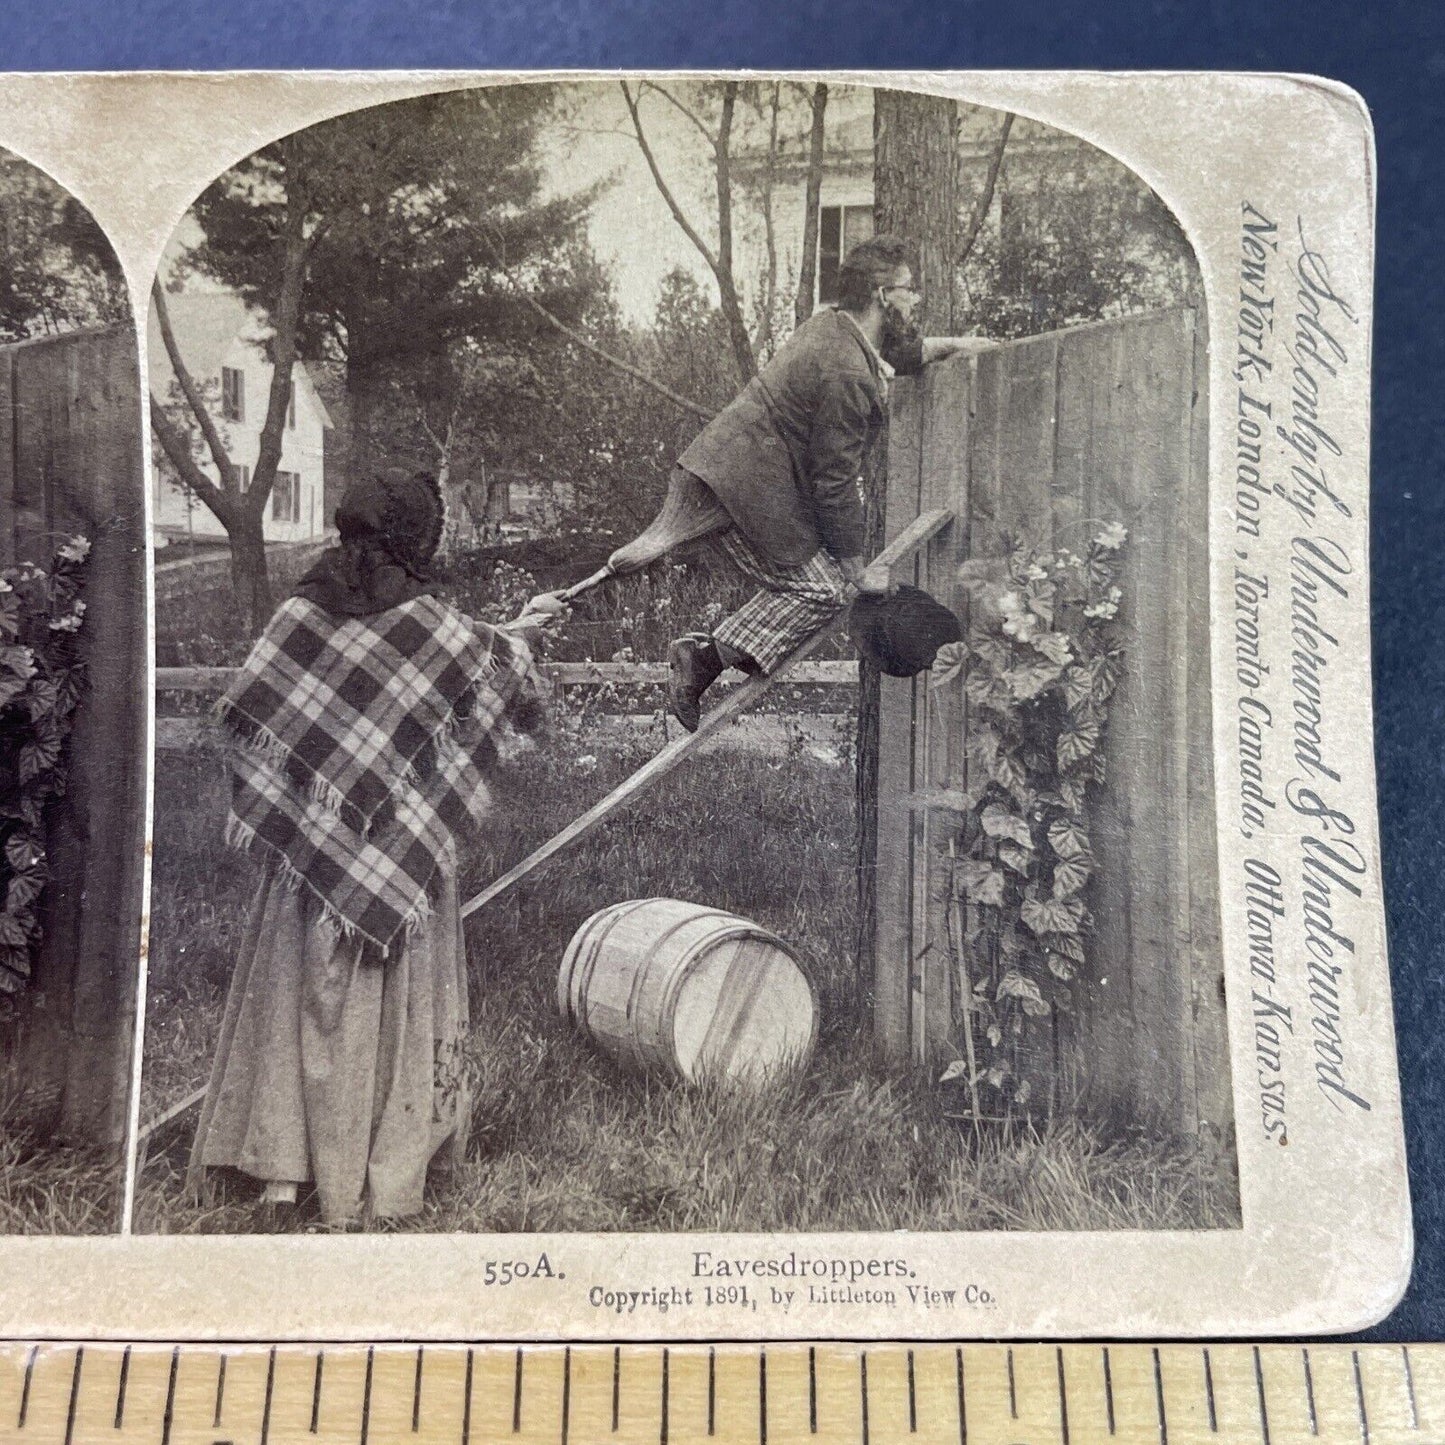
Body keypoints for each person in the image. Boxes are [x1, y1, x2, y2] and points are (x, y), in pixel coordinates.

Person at [187, 470, 566, 1230]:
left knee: (300, 988)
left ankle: (281, 1174)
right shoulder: (433, 622)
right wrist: (522, 631)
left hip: (306, 859)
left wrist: (304, 808)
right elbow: (502, 674)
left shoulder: (299, 610)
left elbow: (248, 716)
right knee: (385, 994)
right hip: (404, 855)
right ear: (416, 536)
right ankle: (378, 1169)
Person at [665, 234, 982, 731]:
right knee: (828, 592)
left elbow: (892, 355)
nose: (916, 298)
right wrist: (859, 573)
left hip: (731, 476)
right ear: (882, 295)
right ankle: (705, 657)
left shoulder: (832, 329)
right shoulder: (846, 373)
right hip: (738, 490)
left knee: (815, 583)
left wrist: (957, 346)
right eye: (909, 289)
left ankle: (710, 654)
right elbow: (834, 483)